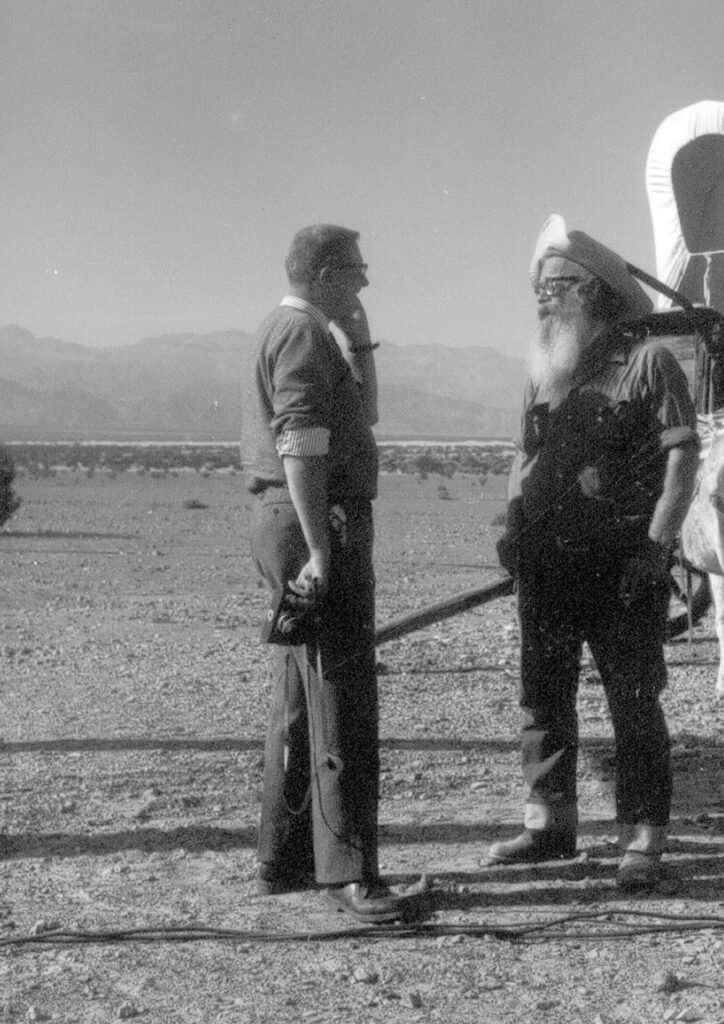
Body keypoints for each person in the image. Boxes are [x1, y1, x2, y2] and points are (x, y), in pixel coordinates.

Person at [486, 215, 700, 889]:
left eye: (555, 286)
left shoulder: (649, 364)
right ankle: (548, 826)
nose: (542, 298)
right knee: (542, 697)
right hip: (549, 567)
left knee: (633, 702)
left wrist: (658, 546)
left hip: (623, 569)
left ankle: (642, 836)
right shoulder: (542, 369)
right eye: (539, 288)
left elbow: (683, 461)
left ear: (595, 291)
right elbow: (525, 456)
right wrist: (510, 526)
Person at [241, 224, 403, 922]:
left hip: (295, 520)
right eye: (357, 271)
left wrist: (359, 334)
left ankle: (284, 856)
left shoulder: (303, 329)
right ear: (327, 271)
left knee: (303, 695)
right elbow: (301, 445)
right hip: (317, 519)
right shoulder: (302, 334)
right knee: (341, 693)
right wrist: (321, 549)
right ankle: (349, 877)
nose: (365, 282)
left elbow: (364, 411)